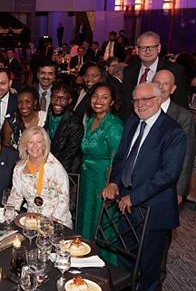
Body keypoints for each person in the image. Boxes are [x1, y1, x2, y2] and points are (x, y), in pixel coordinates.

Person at [102, 82, 186, 291]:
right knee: (125, 256)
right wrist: (114, 182)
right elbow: (121, 157)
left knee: (150, 267)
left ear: (158, 99)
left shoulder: (173, 132)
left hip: (153, 208)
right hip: (126, 204)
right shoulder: (132, 123)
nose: (140, 104)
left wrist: (135, 196)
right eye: (136, 99)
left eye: (145, 99)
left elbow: (168, 174)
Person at [75, 83, 124, 243]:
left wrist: (108, 185)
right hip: (87, 177)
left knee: (99, 222)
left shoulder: (115, 125)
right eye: (95, 96)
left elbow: (115, 160)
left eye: (104, 97)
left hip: (102, 178)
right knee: (85, 217)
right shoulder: (89, 119)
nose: (98, 101)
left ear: (112, 102)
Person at [5, 127, 72, 228]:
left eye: (39, 142)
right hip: (30, 221)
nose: (35, 146)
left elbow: (64, 200)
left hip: (56, 223)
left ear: (44, 145)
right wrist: (9, 216)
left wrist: (48, 223)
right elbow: (16, 196)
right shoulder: (19, 169)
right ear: (25, 145)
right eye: (30, 142)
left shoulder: (55, 167)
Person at [153, 70, 196, 205]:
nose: (160, 87)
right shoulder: (141, 109)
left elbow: (187, 155)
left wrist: (179, 190)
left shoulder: (184, 117)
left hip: (167, 183)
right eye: (157, 83)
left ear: (173, 89)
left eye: (165, 84)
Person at [120, 31, 188, 117]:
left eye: (152, 47)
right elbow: (125, 104)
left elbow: (181, 103)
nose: (147, 51)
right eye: (143, 48)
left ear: (159, 48)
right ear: (137, 50)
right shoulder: (129, 71)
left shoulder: (174, 70)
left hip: (164, 125)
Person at [44, 82, 84, 175]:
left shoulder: (74, 123)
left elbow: (69, 155)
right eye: (54, 97)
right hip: (47, 165)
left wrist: (55, 174)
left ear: (69, 100)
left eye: (63, 99)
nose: (57, 102)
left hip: (65, 170)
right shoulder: (48, 113)